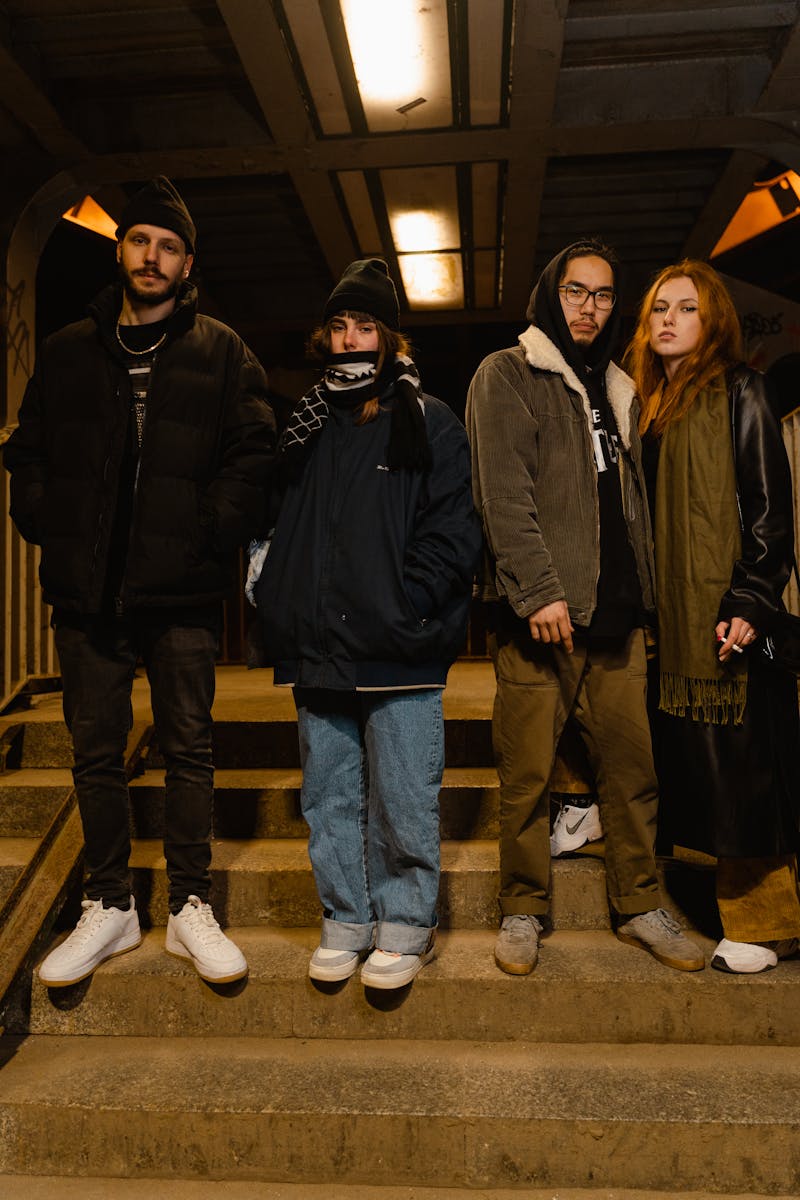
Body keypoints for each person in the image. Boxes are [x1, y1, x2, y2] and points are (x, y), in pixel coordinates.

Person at [4, 176, 276, 986]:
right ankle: (111, 903)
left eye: (169, 246)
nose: (152, 257)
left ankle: (190, 903)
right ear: (120, 250)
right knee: (95, 752)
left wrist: (207, 532)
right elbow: (28, 451)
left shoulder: (222, 351)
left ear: (187, 264)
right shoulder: (66, 350)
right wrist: (50, 520)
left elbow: (253, 455)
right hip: (88, 591)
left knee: (190, 747)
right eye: (140, 241)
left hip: (181, 591)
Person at [466, 238, 704, 975]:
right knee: (528, 776)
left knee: (633, 775)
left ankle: (639, 905)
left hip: (620, 618)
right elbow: (503, 493)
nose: (589, 307)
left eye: (602, 295)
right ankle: (522, 908)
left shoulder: (621, 386)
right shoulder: (508, 373)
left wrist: (650, 602)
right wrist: (537, 590)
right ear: (551, 293)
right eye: (576, 291)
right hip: (544, 618)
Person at [253, 258, 481, 990]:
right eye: (340, 325)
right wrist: (276, 593)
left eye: (366, 325)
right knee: (329, 794)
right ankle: (346, 920)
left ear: (389, 336)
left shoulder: (428, 419)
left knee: (404, 795)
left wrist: (410, 600)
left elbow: (454, 529)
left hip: (400, 643)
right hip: (321, 642)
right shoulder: (308, 424)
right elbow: (278, 522)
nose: (351, 337)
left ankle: (407, 924)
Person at [625, 259, 800, 974]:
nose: (669, 319)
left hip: (733, 618)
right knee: (709, 771)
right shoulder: (649, 405)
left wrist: (751, 599)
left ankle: (769, 925)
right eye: (659, 308)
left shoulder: (742, 390)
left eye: (686, 308)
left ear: (714, 320)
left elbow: (768, 507)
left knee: (748, 774)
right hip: (674, 620)